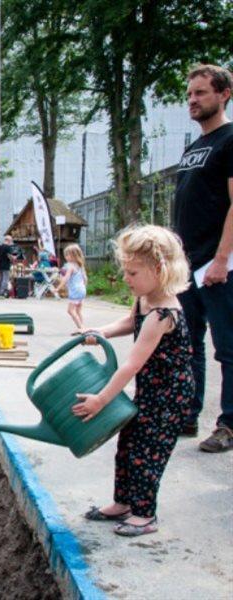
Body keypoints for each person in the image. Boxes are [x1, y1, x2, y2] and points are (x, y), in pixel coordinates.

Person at [73, 225, 194, 537]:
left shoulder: (162, 315)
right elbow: (128, 322)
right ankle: (123, 502)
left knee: (147, 452)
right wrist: (99, 332)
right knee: (127, 446)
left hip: (170, 396)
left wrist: (102, 399)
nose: (126, 279)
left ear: (159, 270)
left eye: (133, 273)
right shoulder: (144, 301)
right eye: (125, 271)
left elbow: (131, 364)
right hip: (152, 391)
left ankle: (145, 514)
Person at [173, 64, 233, 451]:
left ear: (224, 94)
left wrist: (221, 259)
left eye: (201, 93)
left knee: (228, 347)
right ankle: (188, 415)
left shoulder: (230, 140)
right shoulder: (194, 148)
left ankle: (229, 424)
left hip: (218, 265)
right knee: (188, 344)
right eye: (190, 94)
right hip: (187, 265)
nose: (193, 100)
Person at [57, 244, 88, 329]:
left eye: (67, 254)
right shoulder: (80, 266)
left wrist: (58, 288)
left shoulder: (70, 266)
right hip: (82, 290)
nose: (65, 256)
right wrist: (84, 288)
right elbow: (85, 279)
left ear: (74, 255)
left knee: (70, 311)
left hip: (75, 290)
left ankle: (81, 329)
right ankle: (83, 328)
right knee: (78, 311)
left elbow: (66, 278)